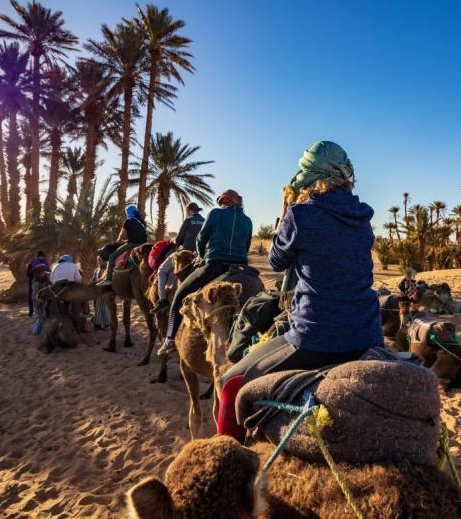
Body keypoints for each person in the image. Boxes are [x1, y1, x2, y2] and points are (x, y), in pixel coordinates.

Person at [216, 140, 383, 440]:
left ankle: (229, 454)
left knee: (229, 384)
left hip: (315, 335)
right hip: (368, 333)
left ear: (309, 176)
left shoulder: (300, 214)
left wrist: (285, 213)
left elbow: (276, 261)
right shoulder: (363, 218)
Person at [160, 189, 252, 352]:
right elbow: (246, 247)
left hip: (215, 265)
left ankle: (169, 340)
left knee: (179, 296)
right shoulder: (248, 220)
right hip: (241, 268)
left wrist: (202, 255)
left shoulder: (216, 213)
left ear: (223, 202)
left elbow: (201, 239)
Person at [101, 204, 148, 285]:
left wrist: (119, 240)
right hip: (144, 244)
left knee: (112, 256)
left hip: (133, 244)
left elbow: (121, 235)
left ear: (128, 213)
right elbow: (139, 234)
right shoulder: (142, 222)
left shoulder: (128, 221)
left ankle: (108, 279)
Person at [26, 251, 51, 316]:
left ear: (37, 256)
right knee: (47, 296)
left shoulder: (32, 262)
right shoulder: (45, 262)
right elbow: (49, 271)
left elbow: (28, 274)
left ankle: (31, 311)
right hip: (45, 282)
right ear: (43, 255)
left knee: (33, 297)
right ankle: (47, 311)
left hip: (35, 282)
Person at [92, 256, 111, 330]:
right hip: (97, 291)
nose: (98, 262)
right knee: (98, 307)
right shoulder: (97, 269)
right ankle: (98, 324)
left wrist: (96, 283)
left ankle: (107, 324)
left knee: (105, 308)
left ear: (104, 261)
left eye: (100, 260)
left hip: (105, 291)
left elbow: (104, 280)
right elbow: (93, 279)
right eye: (98, 260)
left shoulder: (107, 270)